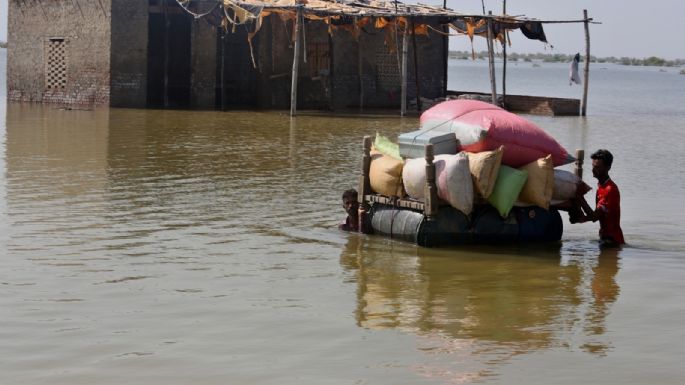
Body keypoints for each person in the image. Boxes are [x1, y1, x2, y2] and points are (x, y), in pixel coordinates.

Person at [574, 149, 625, 246]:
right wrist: (582, 219)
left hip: (612, 242)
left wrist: (580, 198)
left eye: (597, 167)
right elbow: (598, 215)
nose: (593, 169)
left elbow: (594, 217)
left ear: (608, 168)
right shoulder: (601, 188)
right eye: (593, 166)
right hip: (606, 239)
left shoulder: (610, 190)